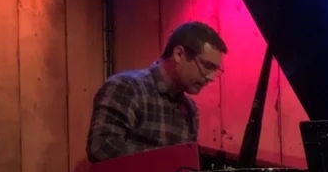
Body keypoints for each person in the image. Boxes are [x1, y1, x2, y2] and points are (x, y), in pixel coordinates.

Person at [86, 21, 228, 163]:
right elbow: (102, 147)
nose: (211, 77)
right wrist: (163, 162)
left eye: (215, 70)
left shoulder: (189, 108)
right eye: (207, 66)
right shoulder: (127, 87)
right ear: (179, 54)